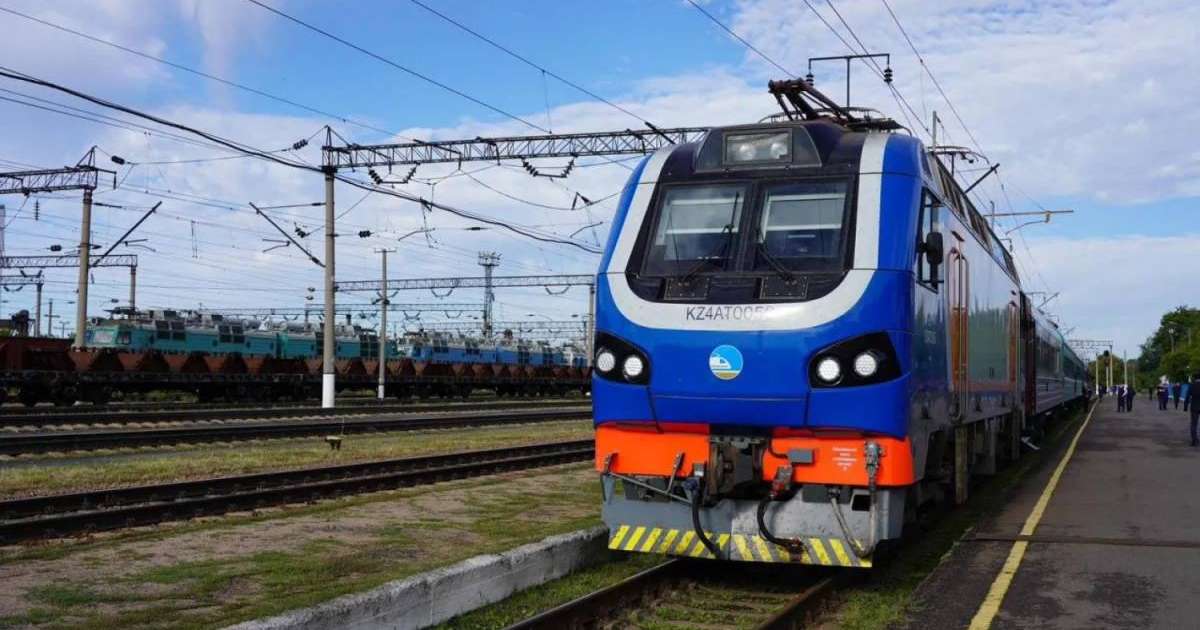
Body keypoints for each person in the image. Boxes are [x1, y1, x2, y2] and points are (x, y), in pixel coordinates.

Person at [1188, 373, 1200, 447]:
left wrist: (1185, 406)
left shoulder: (1192, 385)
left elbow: (1187, 395)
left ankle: (1194, 441)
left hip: (1194, 407)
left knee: (1194, 424)